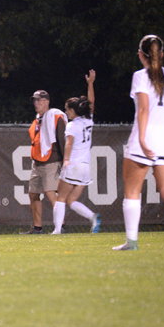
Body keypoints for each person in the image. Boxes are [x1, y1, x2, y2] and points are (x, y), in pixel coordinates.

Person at [114, 35, 164, 250]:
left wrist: (142, 139)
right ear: (162, 54)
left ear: (141, 54)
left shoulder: (140, 76)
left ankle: (132, 242)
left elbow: (143, 109)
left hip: (145, 137)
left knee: (132, 192)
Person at [52, 70, 102, 235]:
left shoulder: (72, 125)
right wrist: (90, 84)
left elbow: (69, 143)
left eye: (67, 109)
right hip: (85, 166)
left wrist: (66, 160)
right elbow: (91, 102)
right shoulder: (88, 120)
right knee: (71, 199)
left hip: (73, 164)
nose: (66, 111)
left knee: (60, 197)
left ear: (74, 110)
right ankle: (93, 217)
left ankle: (57, 230)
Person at [22, 89, 67, 234]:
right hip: (37, 162)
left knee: (50, 193)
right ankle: (37, 227)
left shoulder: (55, 116)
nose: (36, 103)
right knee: (33, 194)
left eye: (39, 100)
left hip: (51, 161)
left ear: (47, 101)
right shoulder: (38, 119)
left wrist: (65, 161)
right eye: (35, 100)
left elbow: (63, 140)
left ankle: (61, 226)